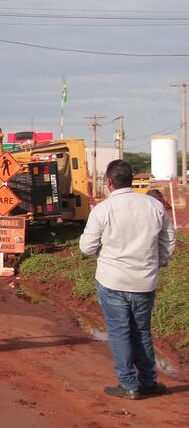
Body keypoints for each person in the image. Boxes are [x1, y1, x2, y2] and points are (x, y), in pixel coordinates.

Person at [80, 160, 177, 400]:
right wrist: (159, 261)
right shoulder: (154, 205)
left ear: (108, 182)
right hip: (144, 280)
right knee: (142, 331)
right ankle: (147, 382)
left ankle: (128, 384)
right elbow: (169, 241)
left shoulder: (103, 210)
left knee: (120, 332)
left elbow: (87, 247)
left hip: (112, 281)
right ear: (132, 179)